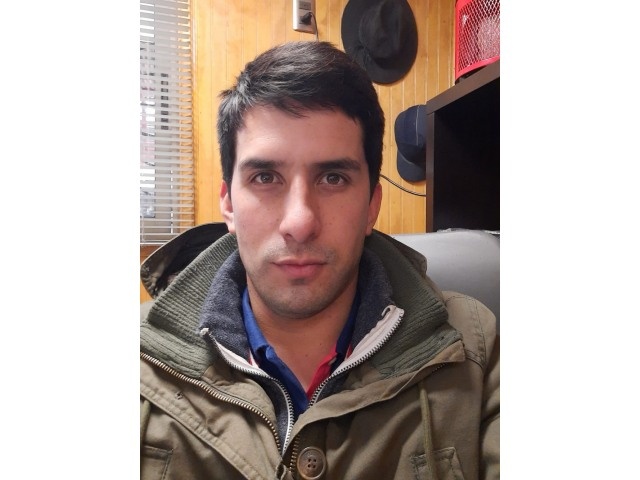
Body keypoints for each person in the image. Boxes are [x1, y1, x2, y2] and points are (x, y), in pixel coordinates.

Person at [140, 41, 499, 480]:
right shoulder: (139, 363)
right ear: (228, 204)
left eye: (332, 178)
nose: (300, 222)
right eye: (265, 177)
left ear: (371, 206)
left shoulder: (478, 350)